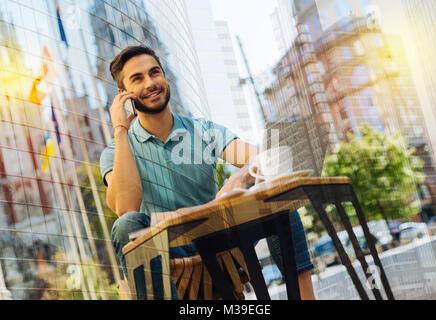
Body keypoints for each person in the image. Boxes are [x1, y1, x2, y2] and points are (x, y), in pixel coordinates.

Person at [100, 45, 315, 299]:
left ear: (165, 77)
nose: (150, 83)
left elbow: (267, 157)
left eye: (154, 72)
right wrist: (119, 129)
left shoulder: (201, 130)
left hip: (221, 243)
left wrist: (241, 177)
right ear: (123, 94)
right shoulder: (117, 151)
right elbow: (126, 209)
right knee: (126, 225)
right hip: (167, 257)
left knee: (278, 196)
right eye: (137, 78)